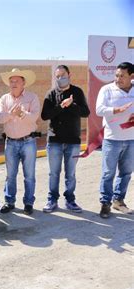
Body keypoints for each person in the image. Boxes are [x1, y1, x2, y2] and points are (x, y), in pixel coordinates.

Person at [41, 65, 90, 213]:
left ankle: (70, 200)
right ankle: (52, 200)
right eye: (57, 76)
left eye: (63, 75)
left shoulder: (77, 92)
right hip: (54, 141)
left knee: (71, 174)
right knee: (54, 173)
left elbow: (85, 112)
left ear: (69, 75)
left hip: (73, 141)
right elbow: (45, 115)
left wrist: (72, 105)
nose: (60, 78)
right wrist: (61, 106)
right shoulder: (50, 94)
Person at [0, 68, 40, 215]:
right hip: (10, 143)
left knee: (29, 175)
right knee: (10, 175)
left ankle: (28, 203)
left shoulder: (32, 97)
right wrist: (11, 114)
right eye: (11, 81)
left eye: (16, 81)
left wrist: (21, 114)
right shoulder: (4, 99)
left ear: (24, 83)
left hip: (28, 141)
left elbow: (34, 117)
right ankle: (9, 202)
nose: (13, 83)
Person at [96, 62, 134, 219]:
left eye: (122, 76)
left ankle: (119, 200)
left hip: (131, 139)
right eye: (116, 75)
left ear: (132, 76)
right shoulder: (107, 89)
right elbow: (99, 110)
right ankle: (105, 203)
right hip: (112, 139)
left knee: (126, 172)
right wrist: (115, 110)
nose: (118, 79)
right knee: (108, 173)